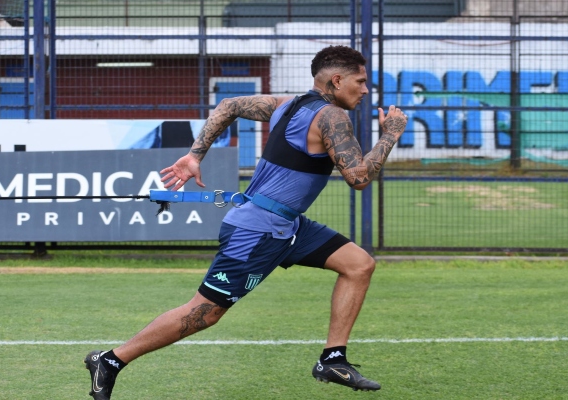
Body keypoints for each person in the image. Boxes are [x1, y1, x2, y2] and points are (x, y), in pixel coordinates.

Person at [84, 45, 407, 398]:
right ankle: (111, 360)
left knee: (359, 265)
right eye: (360, 82)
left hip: (287, 225)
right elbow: (358, 178)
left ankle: (332, 359)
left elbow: (229, 105)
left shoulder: (287, 104)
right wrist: (390, 134)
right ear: (337, 80)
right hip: (258, 231)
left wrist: (194, 156)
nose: (365, 90)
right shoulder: (332, 117)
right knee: (205, 313)